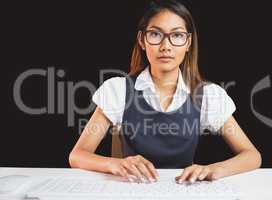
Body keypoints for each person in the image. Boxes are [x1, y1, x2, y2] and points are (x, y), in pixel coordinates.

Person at [69, 0, 261, 184]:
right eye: (155, 34)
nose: (166, 46)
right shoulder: (118, 90)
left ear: (188, 43)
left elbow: (252, 156)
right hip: (132, 190)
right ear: (142, 40)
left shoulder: (208, 95)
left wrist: (214, 169)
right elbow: (77, 155)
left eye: (177, 35)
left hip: (183, 190)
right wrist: (115, 163)